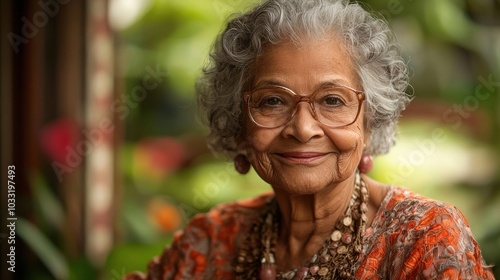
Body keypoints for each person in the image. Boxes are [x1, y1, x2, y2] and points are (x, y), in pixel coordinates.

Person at [125, 0, 495, 279]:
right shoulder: (211, 242)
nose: (303, 129)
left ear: (369, 122)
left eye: (332, 100)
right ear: (239, 124)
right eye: (273, 101)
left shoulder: (423, 238)